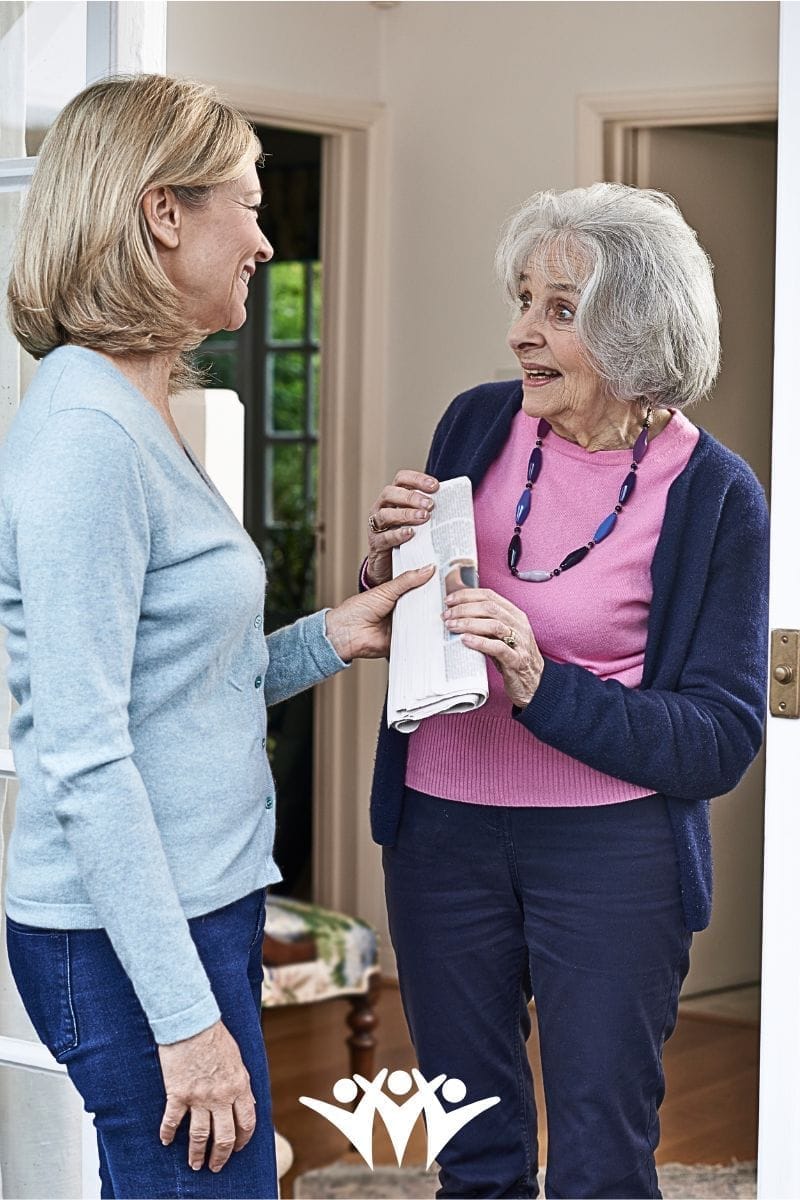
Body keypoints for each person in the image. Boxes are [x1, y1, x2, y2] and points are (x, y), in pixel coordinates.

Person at [0, 74, 433, 1200]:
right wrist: (186, 1024)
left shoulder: (133, 407)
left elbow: (183, 679)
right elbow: (87, 754)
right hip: (127, 941)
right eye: (242, 203)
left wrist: (336, 632)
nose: (263, 235)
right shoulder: (88, 438)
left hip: (192, 906)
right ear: (161, 214)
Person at [363, 184, 769, 1199]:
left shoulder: (715, 495)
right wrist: (388, 569)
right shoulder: (474, 424)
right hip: (440, 837)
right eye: (520, 299)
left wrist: (542, 679)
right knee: (473, 1153)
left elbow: (717, 738)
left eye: (556, 309)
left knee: (598, 1160)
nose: (518, 334)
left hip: (611, 860)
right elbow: (419, 613)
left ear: (632, 329)